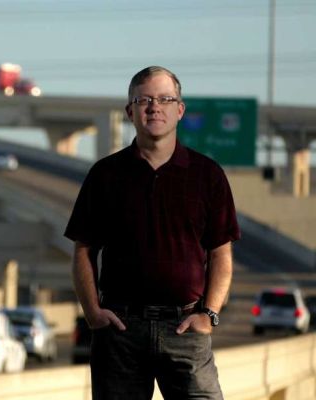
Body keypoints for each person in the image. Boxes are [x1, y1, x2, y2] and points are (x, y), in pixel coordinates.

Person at [64, 66, 240, 400]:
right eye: (144, 99)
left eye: (164, 99)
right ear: (130, 112)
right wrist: (92, 312)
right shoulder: (105, 175)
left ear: (180, 109)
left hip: (185, 327)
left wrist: (209, 314)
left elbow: (221, 254)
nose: (154, 107)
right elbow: (83, 251)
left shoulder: (208, 175)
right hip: (120, 331)